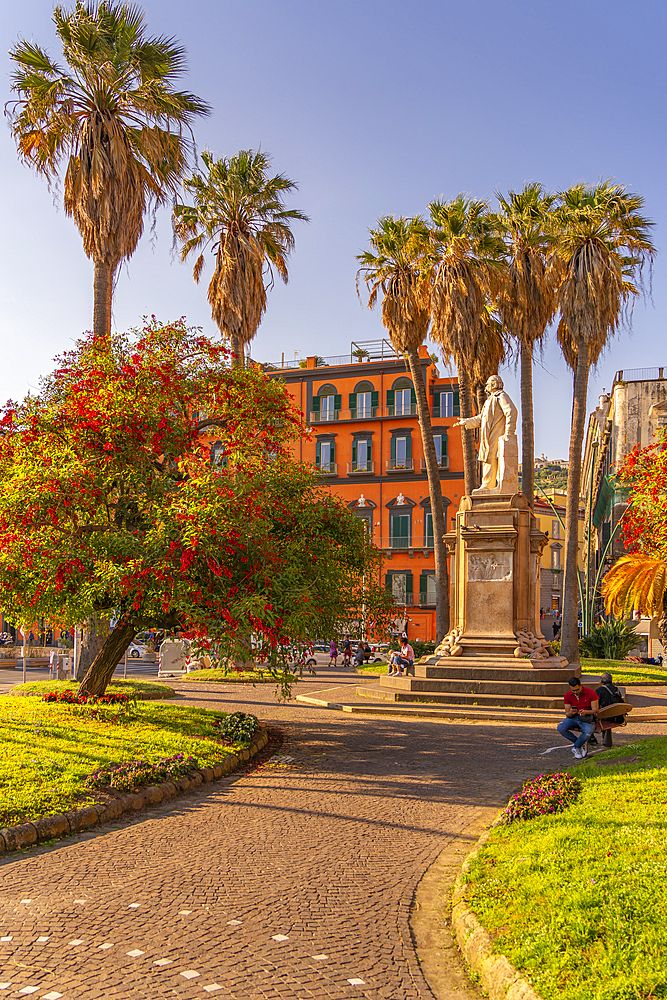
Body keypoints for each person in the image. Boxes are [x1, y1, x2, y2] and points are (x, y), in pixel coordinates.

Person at [454, 374, 518, 493]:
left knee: (491, 457)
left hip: (496, 433)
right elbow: (481, 419)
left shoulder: (501, 396)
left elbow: (511, 412)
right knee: (488, 457)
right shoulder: (490, 400)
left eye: (487, 385)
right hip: (488, 435)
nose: (485, 388)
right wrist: (466, 421)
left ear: (494, 384)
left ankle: (489, 485)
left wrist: (509, 432)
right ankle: (488, 484)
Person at [557, 676, 599, 759]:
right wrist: (571, 712)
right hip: (574, 718)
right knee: (561, 727)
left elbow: (595, 710)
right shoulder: (568, 695)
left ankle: (576, 747)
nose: (575, 692)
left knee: (588, 731)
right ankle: (580, 743)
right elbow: (567, 713)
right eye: (573, 690)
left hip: (587, 718)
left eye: (577, 690)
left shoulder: (591, 693)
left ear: (581, 686)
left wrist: (586, 712)